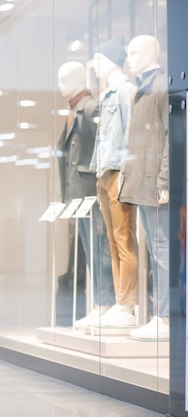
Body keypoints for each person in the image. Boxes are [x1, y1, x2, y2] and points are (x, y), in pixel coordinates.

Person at [55, 61, 114, 327]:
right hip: (78, 194)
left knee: (98, 247)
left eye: (65, 77)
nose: (60, 83)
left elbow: (104, 146)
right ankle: (99, 305)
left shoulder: (90, 107)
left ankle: (105, 304)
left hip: (90, 191)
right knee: (90, 250)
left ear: (80, 78)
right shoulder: (73, 110)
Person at [120, 35, 170, 339]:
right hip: (141, 181)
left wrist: (165, 180)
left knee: (162, 250)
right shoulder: (140, 90)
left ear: (153, 52)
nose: (130, 58)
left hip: (155, 183)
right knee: (154, 250)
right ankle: (159, 315)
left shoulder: (162, 86)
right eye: (127, 53)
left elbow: (173, 137)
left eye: (135, 51)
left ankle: (165, 318)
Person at [89, 36, 139, 327]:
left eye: (97, 60)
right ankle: (121, 302)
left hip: (119, 172)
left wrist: (126, 176)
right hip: (104, 172)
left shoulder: (125, 92)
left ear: (109, 60)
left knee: (124, 239)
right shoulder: (107, 95)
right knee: (112, 240)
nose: (94, 66)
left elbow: (132, 138)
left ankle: (128, 304)